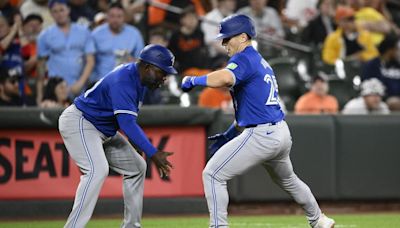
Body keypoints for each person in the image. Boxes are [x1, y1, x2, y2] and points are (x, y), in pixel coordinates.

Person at [181, 14, 335, 228]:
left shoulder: (244, 58)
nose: (224, 43)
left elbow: (225, 78)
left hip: (262, 135)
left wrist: (194, 80)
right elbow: (253, 108)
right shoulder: (260, 61)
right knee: (289, 180)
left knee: (213, 174)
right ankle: (319, 219)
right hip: (279, 132)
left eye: (228, 38)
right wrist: (229, 133)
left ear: (243, 37)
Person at [58, 44, 176, 228]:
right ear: (147, 67)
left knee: (137, 167)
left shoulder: (140, 80)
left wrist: (136, 142)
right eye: (162, 72)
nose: (164, 78)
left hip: (104, 130)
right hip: (81, 122)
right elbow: (126, 123)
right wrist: (153, 152)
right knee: (97, 170)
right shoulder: (124, 80)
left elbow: (128, 119)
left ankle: (131, 226)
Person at [37, 0, 95, 104]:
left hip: (78, 85)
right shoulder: (45, 35)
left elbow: (90, 61)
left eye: (62, 10)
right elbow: (41, 66)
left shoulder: (84, 32)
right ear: (50, 13)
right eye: (55, 11)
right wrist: (40, 95)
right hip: (56, 87)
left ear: (68, 10)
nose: (59, 14)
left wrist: (80, 83)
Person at [90, 2, 144, 83]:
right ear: (107, 16)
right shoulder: (96, 34)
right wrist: (93, 80)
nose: (115, 20)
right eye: (112, 16)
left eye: (119, 16)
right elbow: (89, 59)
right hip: (101, 81)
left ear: (124, 17)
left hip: (125, 81)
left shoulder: (134, 34)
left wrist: (132, 61)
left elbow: (142, 61)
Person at [361, 34, 400, 111]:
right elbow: (368, 85)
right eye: (397, 49)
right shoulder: (372, 65)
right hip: (382, 99)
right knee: (394, 102)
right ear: (390, 50)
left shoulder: (397, 64)